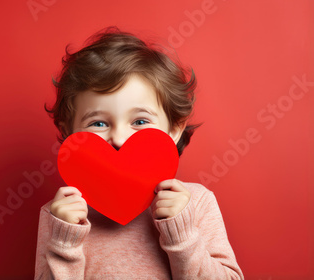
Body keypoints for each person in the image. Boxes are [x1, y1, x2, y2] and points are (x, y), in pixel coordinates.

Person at [35, 26, 244, 279]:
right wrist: (64, 241)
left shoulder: (197, 202)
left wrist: (183, 234)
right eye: (98, 123)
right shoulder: (59, 215)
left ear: (175, 129)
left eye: (140, 121)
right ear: (70, 133)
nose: (120, 138)